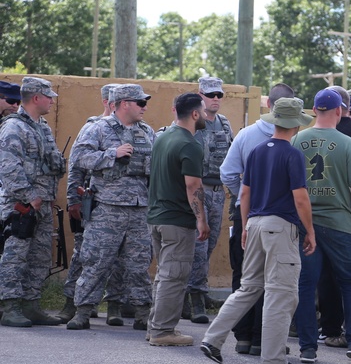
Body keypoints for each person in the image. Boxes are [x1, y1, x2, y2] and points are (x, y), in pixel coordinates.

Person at [199, 98, 316, 364]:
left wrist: (246, 225)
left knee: (248, 287)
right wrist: (309, 230)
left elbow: (245, 193)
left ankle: (212, 339)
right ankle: (273, 361)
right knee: (281, 293)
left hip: (255, 223)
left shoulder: (257, 151)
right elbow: (300, 198)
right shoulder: (292, 154)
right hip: (280, 226)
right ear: (296, 124)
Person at [66, 84, 156, 335]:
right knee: (96, 261)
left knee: (139, 263)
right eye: (140, 103)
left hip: (139, 209)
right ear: (124, 103)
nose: (144, 107)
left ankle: (141, 313)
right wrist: (111, 154)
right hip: (107, 208)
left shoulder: (147, 132)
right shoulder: (98, 129)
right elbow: (79, 159)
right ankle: (82, 311)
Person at [292, 88, 351, 364]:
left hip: (306, 224)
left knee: (306, 284)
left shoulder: (297, 140)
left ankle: (307, 347)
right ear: (340, 111)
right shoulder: (349, 143)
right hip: (339, 223)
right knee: (350, 283)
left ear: (314, 110)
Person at [220, 83, 295, 355]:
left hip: (248, 215)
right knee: (275, 280)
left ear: (267, 105)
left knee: (245, 277)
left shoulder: (246, 135)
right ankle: (266, 339)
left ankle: (242, 337)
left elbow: (227, 172)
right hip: (281, 217)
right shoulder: (293, 139)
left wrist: (240, 196)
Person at [57, 83, 126, 324]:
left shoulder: (129, 129)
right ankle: (71, 302)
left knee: (119, 257)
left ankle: (114, 305)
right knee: (84, 254)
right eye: (111, 100)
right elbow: (76, 167)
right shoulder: (92, 127)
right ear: (107, 102)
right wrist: (73, 201)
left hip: (119, 204)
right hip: (90, 201)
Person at [0, 77, 66, 327]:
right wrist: (30, 197)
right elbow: (8, 167)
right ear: (36, 98)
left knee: (39, 256)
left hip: (43, 202)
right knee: (15, 256)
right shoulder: (14, 127)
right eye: (48, 96)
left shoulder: (42, 126)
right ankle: (10, 306)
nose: (51, 101)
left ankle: (31, 304)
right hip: (22, 204)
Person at [147, 93, 211, 346]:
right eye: (203, 111)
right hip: (176, 221)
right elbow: (193, 186)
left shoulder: (162, 138)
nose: (206, 115)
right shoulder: (190, 144)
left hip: (157, 218)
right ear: (194, 114)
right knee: (174, 276)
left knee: (165, 275)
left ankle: (156, 327)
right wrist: (201, 220)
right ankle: (163, 331)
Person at [183, 76, 234, 324]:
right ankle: (196, 300)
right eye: (210, 95)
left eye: (219, 95)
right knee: (198, 247)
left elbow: (233, 158)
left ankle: (188, 295)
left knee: (209, 244)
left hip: (217, 191)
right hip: (197, 190)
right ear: (200, 95)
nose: (215, 99)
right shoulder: (193, 121)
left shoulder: (224, 125)